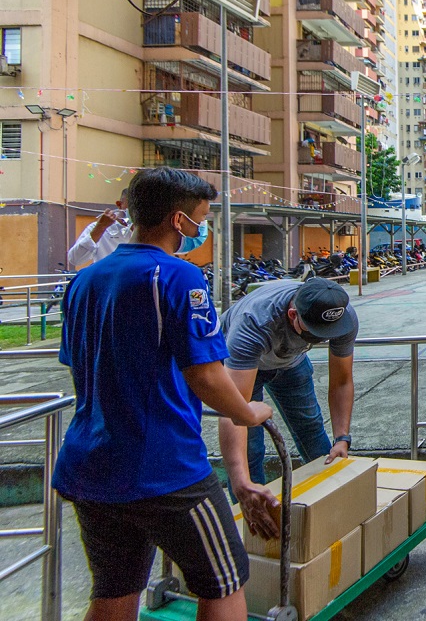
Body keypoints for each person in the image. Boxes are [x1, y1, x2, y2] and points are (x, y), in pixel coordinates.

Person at [54, 168, 273, 621]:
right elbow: (209, 378)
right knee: (227, 579)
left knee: (115, 587)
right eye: (201, 219)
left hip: (89, 465)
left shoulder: (84, 282)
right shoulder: (178, 278)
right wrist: (248, 413)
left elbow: (81, 365)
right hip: (163, 469)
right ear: (178, 220)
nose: (202, 229)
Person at [217, 276, 359, 535]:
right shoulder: (254, 323)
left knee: (312, 430)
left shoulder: (341, 314)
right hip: (242, 367)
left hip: (290, 363)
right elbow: (232, 410)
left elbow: (341, 381)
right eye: (316, 334)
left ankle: (332, 514)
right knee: (250, 449)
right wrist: (239, 481)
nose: (323, 339)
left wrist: (342, 438)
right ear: (293, 314)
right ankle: (252, 526)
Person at [67, 187, 133, 268]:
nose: (137, 211)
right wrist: (100, 228)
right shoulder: (99, 228)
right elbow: (74, 259)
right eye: (132, 205)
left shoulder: (149, 230)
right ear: (119, 204)